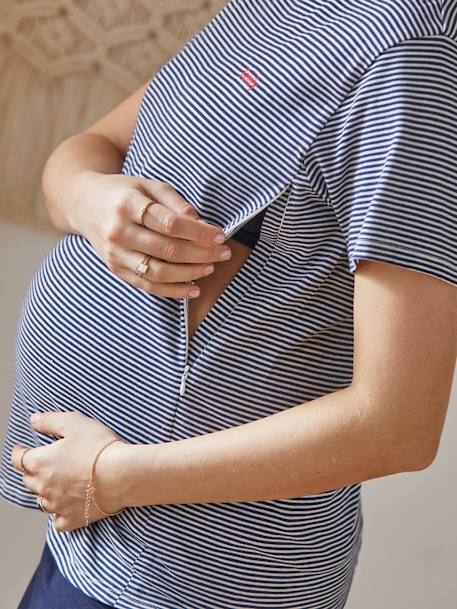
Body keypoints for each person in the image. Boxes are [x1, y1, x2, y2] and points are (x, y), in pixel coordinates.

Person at [1, 1, 457, 607]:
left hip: (193, 568)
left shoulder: (411, 60)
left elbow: (397, 425)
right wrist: (86, 195)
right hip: (101, 532)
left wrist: (113, 477)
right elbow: (95, 145)